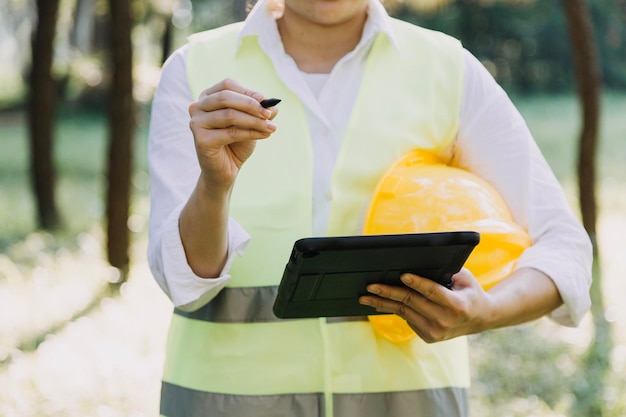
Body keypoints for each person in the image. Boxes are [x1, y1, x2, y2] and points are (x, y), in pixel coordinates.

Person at [147, 0, 592, 416]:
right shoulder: (194, 70)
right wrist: (214, 184)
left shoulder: (447, 70)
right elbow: (184, 281)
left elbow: (564, 250)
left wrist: (486, 311)